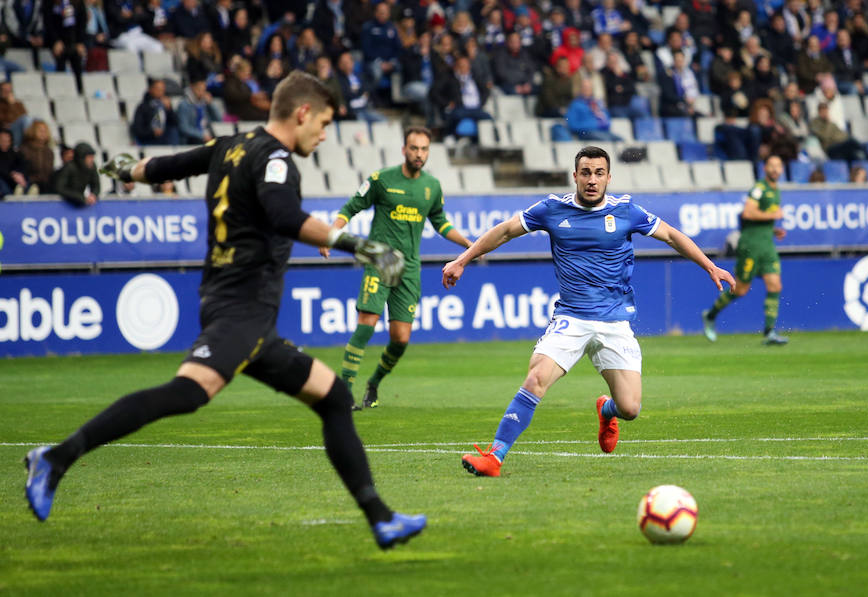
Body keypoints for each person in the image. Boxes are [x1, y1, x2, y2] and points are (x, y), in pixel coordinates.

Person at [23, 71, 426, 550]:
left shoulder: (229, 144)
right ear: (302, 113)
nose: (323, 135)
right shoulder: (275, 159)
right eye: (323, 122)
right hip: (242, 309)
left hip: (241, 312)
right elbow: (283, 216)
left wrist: (122, 169)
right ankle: (57, 457)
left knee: (334, 396)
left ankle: (381, 519)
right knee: (188, 393)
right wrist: (364, 247)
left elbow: (164, 167)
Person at [441, 146, 734, 477]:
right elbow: (507, 229)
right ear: (575, 176)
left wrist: (711, 267)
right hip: (572, 318)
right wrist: (462, 259)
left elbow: (671, 236)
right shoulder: (552, 209)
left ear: (609, 177)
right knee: (536, 377)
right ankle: (494, 456)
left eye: (598, 173)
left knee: (630, 408)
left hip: (615, 323)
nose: (592, 180)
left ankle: (607, 410)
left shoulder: (627, 212)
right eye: (585, 173)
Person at [321, 126, 473, 409]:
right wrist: (331, 234)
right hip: (381, 261)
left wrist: (467, 243)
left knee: (401, 339)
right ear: (404, 150)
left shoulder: (431, 186)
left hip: (409, 268)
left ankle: (374, 383)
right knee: (367, 324)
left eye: (424, 149)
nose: (419, 154)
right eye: (414, 148)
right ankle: (343, 392)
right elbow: (351, 207)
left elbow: (440, 222)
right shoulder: (381, 180)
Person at [702, 154, 789, 346]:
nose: (775, 169)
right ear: (765, 168)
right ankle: (710, 315)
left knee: (775, 285)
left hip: (767, 245)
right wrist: (773, 215)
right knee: (740, 289)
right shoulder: (759, 188)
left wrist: (772, 229)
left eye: (778, 166)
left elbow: (758, 219)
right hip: (751, 246)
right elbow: (748, 213)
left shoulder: (776, 190)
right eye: (771, 165)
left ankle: (769, 332)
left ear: (782, 169)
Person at [54, 142, 100, 207]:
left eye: (92, 157)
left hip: (79, 199)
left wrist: (93, 195)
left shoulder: (92, 167)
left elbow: (96, 184)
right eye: (89, 157)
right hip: (64, 203)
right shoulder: (69, 168)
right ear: (81, 158)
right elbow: (60, 188)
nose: (92, 160)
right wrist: (80, 197)